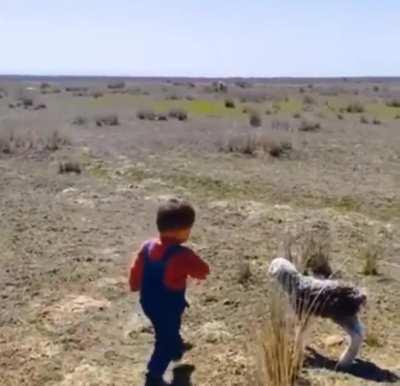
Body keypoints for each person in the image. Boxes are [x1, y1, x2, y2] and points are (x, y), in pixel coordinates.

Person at [129, 198, 210, 386]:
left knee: (166, 328)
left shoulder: (147, 247)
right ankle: (153, 376)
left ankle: (175, 347)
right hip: (170, 304)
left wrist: (134, 285)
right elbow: (203, 270)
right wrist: (196, 272)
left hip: (148, 302)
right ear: (182, 231)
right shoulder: (183, 255)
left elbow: (135, 270)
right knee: (163, 339)